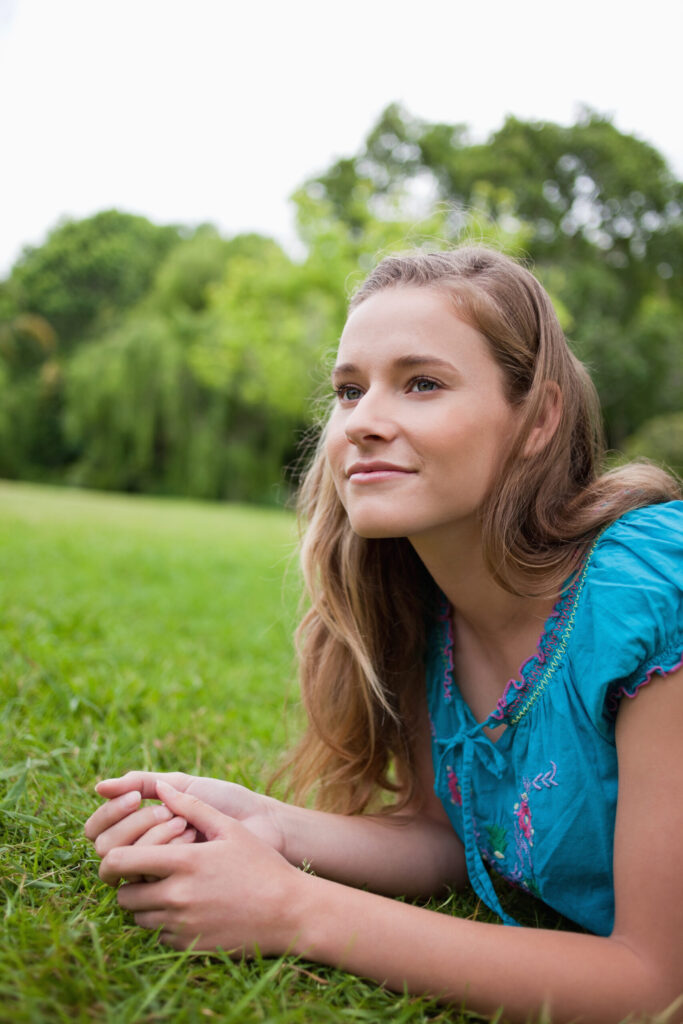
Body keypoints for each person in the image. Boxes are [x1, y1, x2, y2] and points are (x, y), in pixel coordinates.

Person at [84, 247, 683, 1023]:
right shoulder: (426, 610)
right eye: (347, 390)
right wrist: (261, 822)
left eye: (422, 383)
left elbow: (652, 982)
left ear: (537, 420)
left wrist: (296, 910)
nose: (363, 421)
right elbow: (452, 838)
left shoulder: (648, 593)